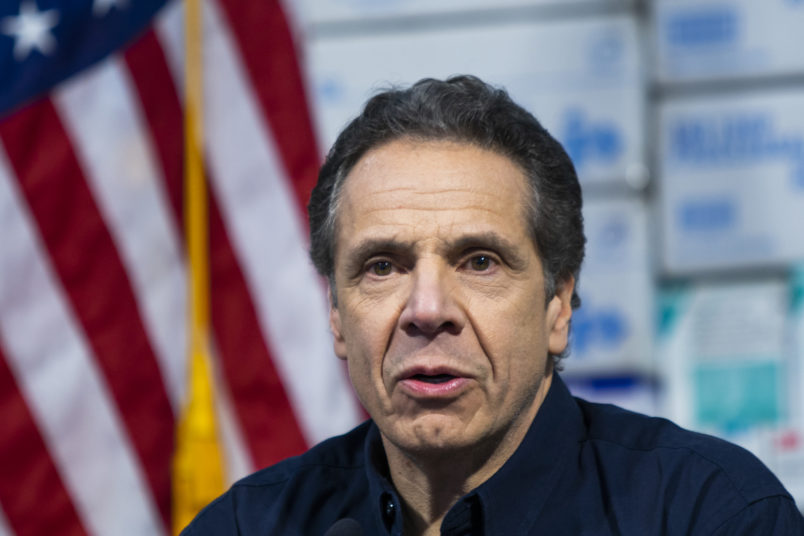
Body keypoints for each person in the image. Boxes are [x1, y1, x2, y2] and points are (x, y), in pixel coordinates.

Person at [182, 75, 803, 535]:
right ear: (337, 315)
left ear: (558, 305)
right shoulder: (245, 526)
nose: (427, 309)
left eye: (479, 261)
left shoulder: (709, 513)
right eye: (383, 266)